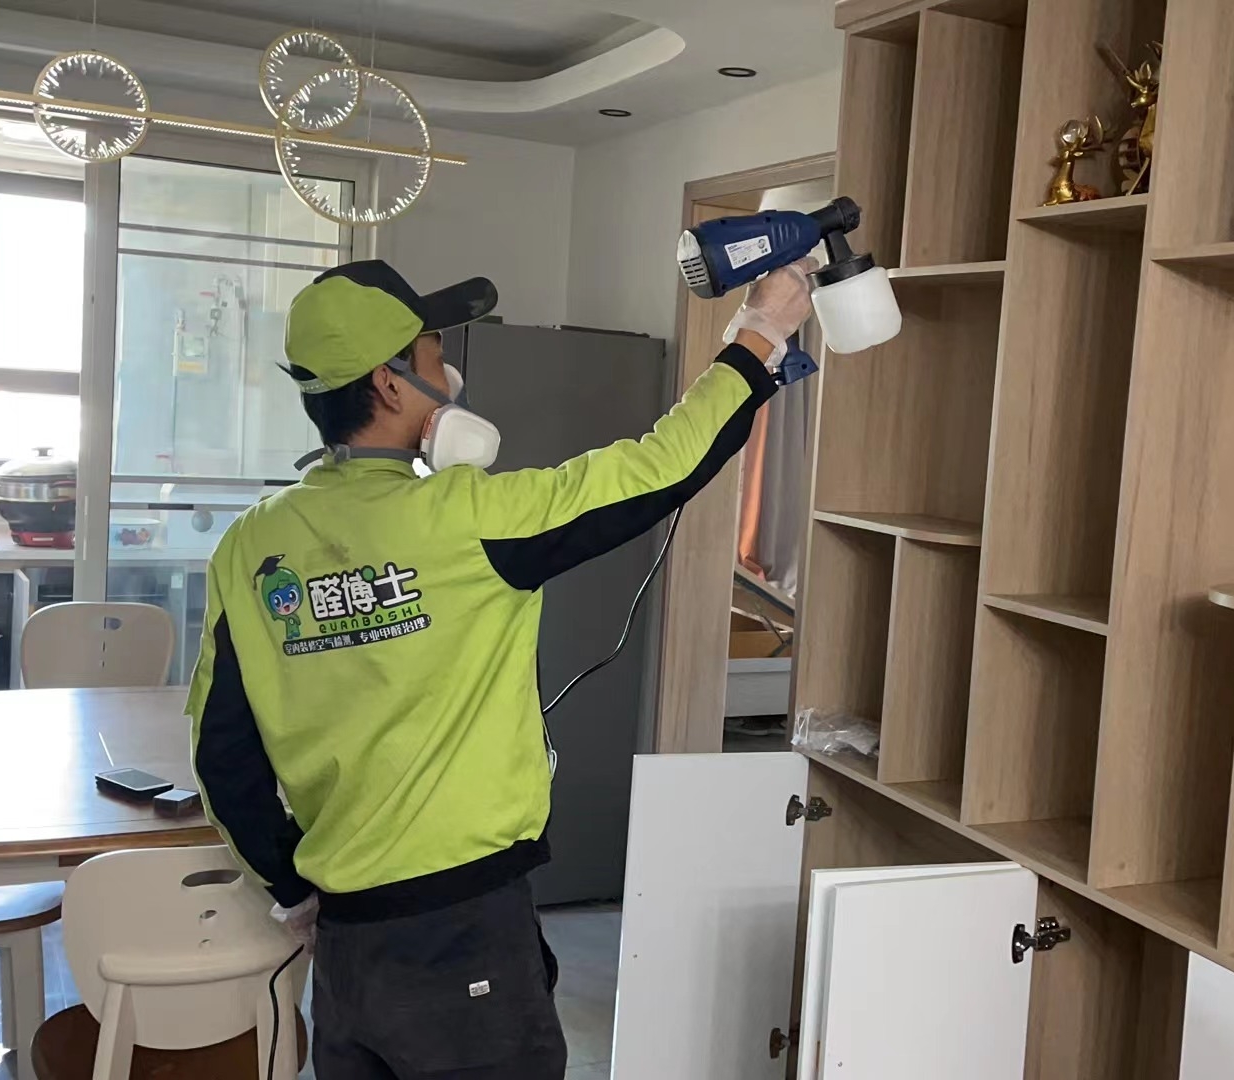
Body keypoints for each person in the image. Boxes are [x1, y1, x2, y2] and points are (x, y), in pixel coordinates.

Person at [186, 255, 815, 1079]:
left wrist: (289, 887)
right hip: (466, 932)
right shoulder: (470, 519)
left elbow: (221, 756)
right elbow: (660, 466)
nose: (449, 372)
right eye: (434, 354)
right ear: (389, 384)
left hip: (345, 948)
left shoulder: (250, 545)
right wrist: (759, 334)